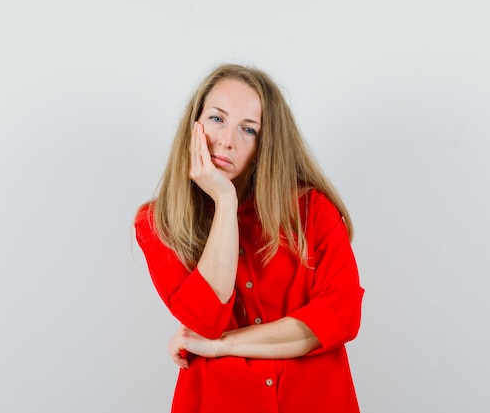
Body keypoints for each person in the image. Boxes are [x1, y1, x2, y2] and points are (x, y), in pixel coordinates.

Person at [134, 64, 364, 413]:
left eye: (249, 129)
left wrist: (222, 346)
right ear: (193, 124)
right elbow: (206, 318)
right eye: (216, 119)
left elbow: (340, 318)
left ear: (266, 144)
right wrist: (225, 202)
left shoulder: (312, 211)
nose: (227, 140)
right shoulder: (158, 222)